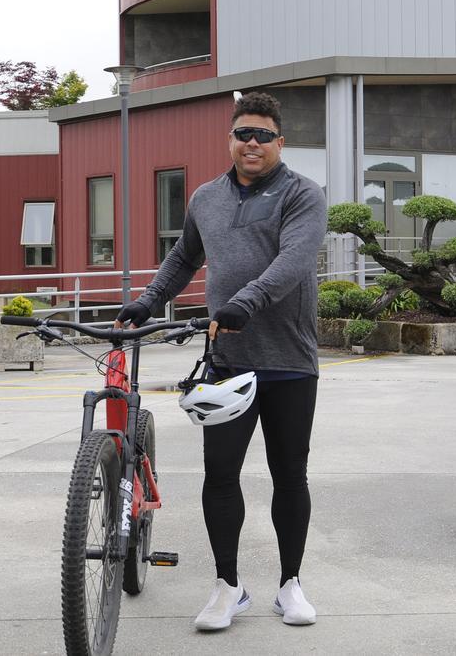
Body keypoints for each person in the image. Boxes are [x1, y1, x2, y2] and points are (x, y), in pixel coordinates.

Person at [116, 91, 327, 631]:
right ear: (230, 139)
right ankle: (228, 586)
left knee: (289, 475)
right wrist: (147, 301)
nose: (251, 143)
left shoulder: (303, 194)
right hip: (229, 361)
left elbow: (294, 259)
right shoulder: (207, 197)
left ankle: (290, 585)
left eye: (262, 135)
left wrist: (245, 302)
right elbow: (184, 257)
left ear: (280, 142)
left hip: (289, 360)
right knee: (220, 475)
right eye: (242, 134)